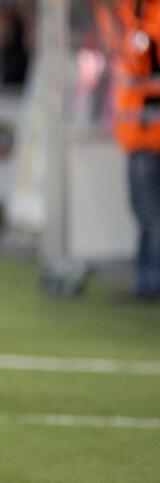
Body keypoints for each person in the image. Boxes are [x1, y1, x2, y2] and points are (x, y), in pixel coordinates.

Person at [109, 0, 160, 301]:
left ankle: (152, 279)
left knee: (151, 214)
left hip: (150, 136)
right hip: (138, 135)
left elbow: (144, 63)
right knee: (143, 213)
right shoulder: (135, 16)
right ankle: (145, 278)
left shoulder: (149, 23)